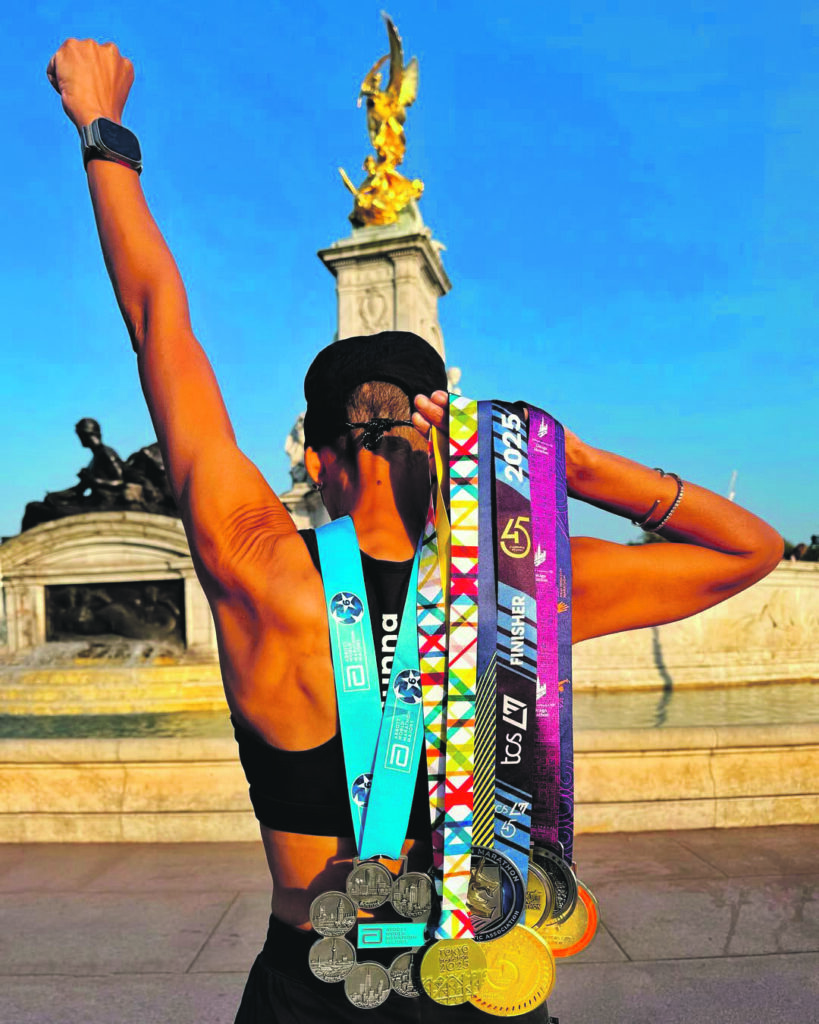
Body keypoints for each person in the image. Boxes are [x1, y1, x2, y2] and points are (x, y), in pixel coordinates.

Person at [46, 39, 783, 1024]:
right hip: (480, 982)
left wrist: (104, 133)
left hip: (309, 982)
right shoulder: (523, 595)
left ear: (311, 455)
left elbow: (158, 322)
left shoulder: (262, 571)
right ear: (448, 439)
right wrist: (578, 465)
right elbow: (752, 549)